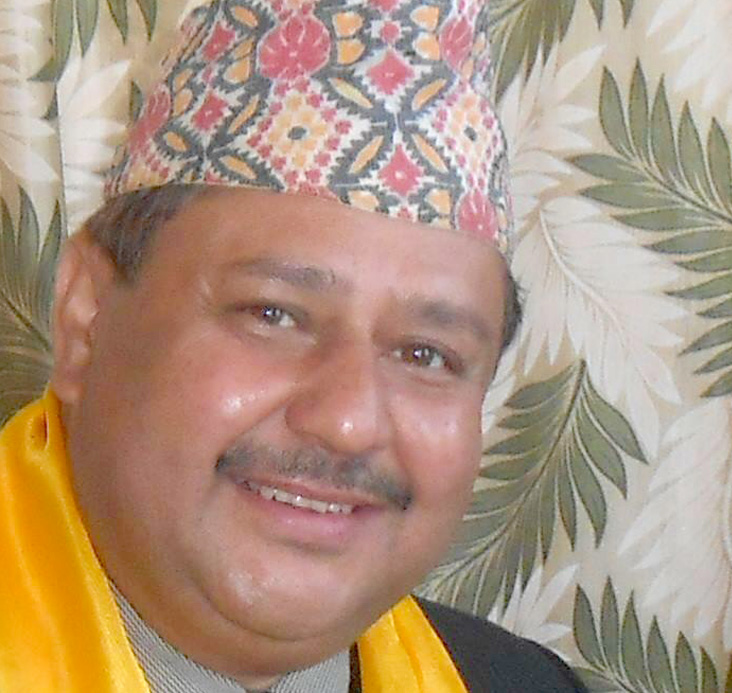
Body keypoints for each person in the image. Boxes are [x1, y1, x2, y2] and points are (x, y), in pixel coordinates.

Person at [0, 0, 586, 690]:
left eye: (426, 354)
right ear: (87, 319)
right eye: (274, 315)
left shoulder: (520, 681)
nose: (348, 422)